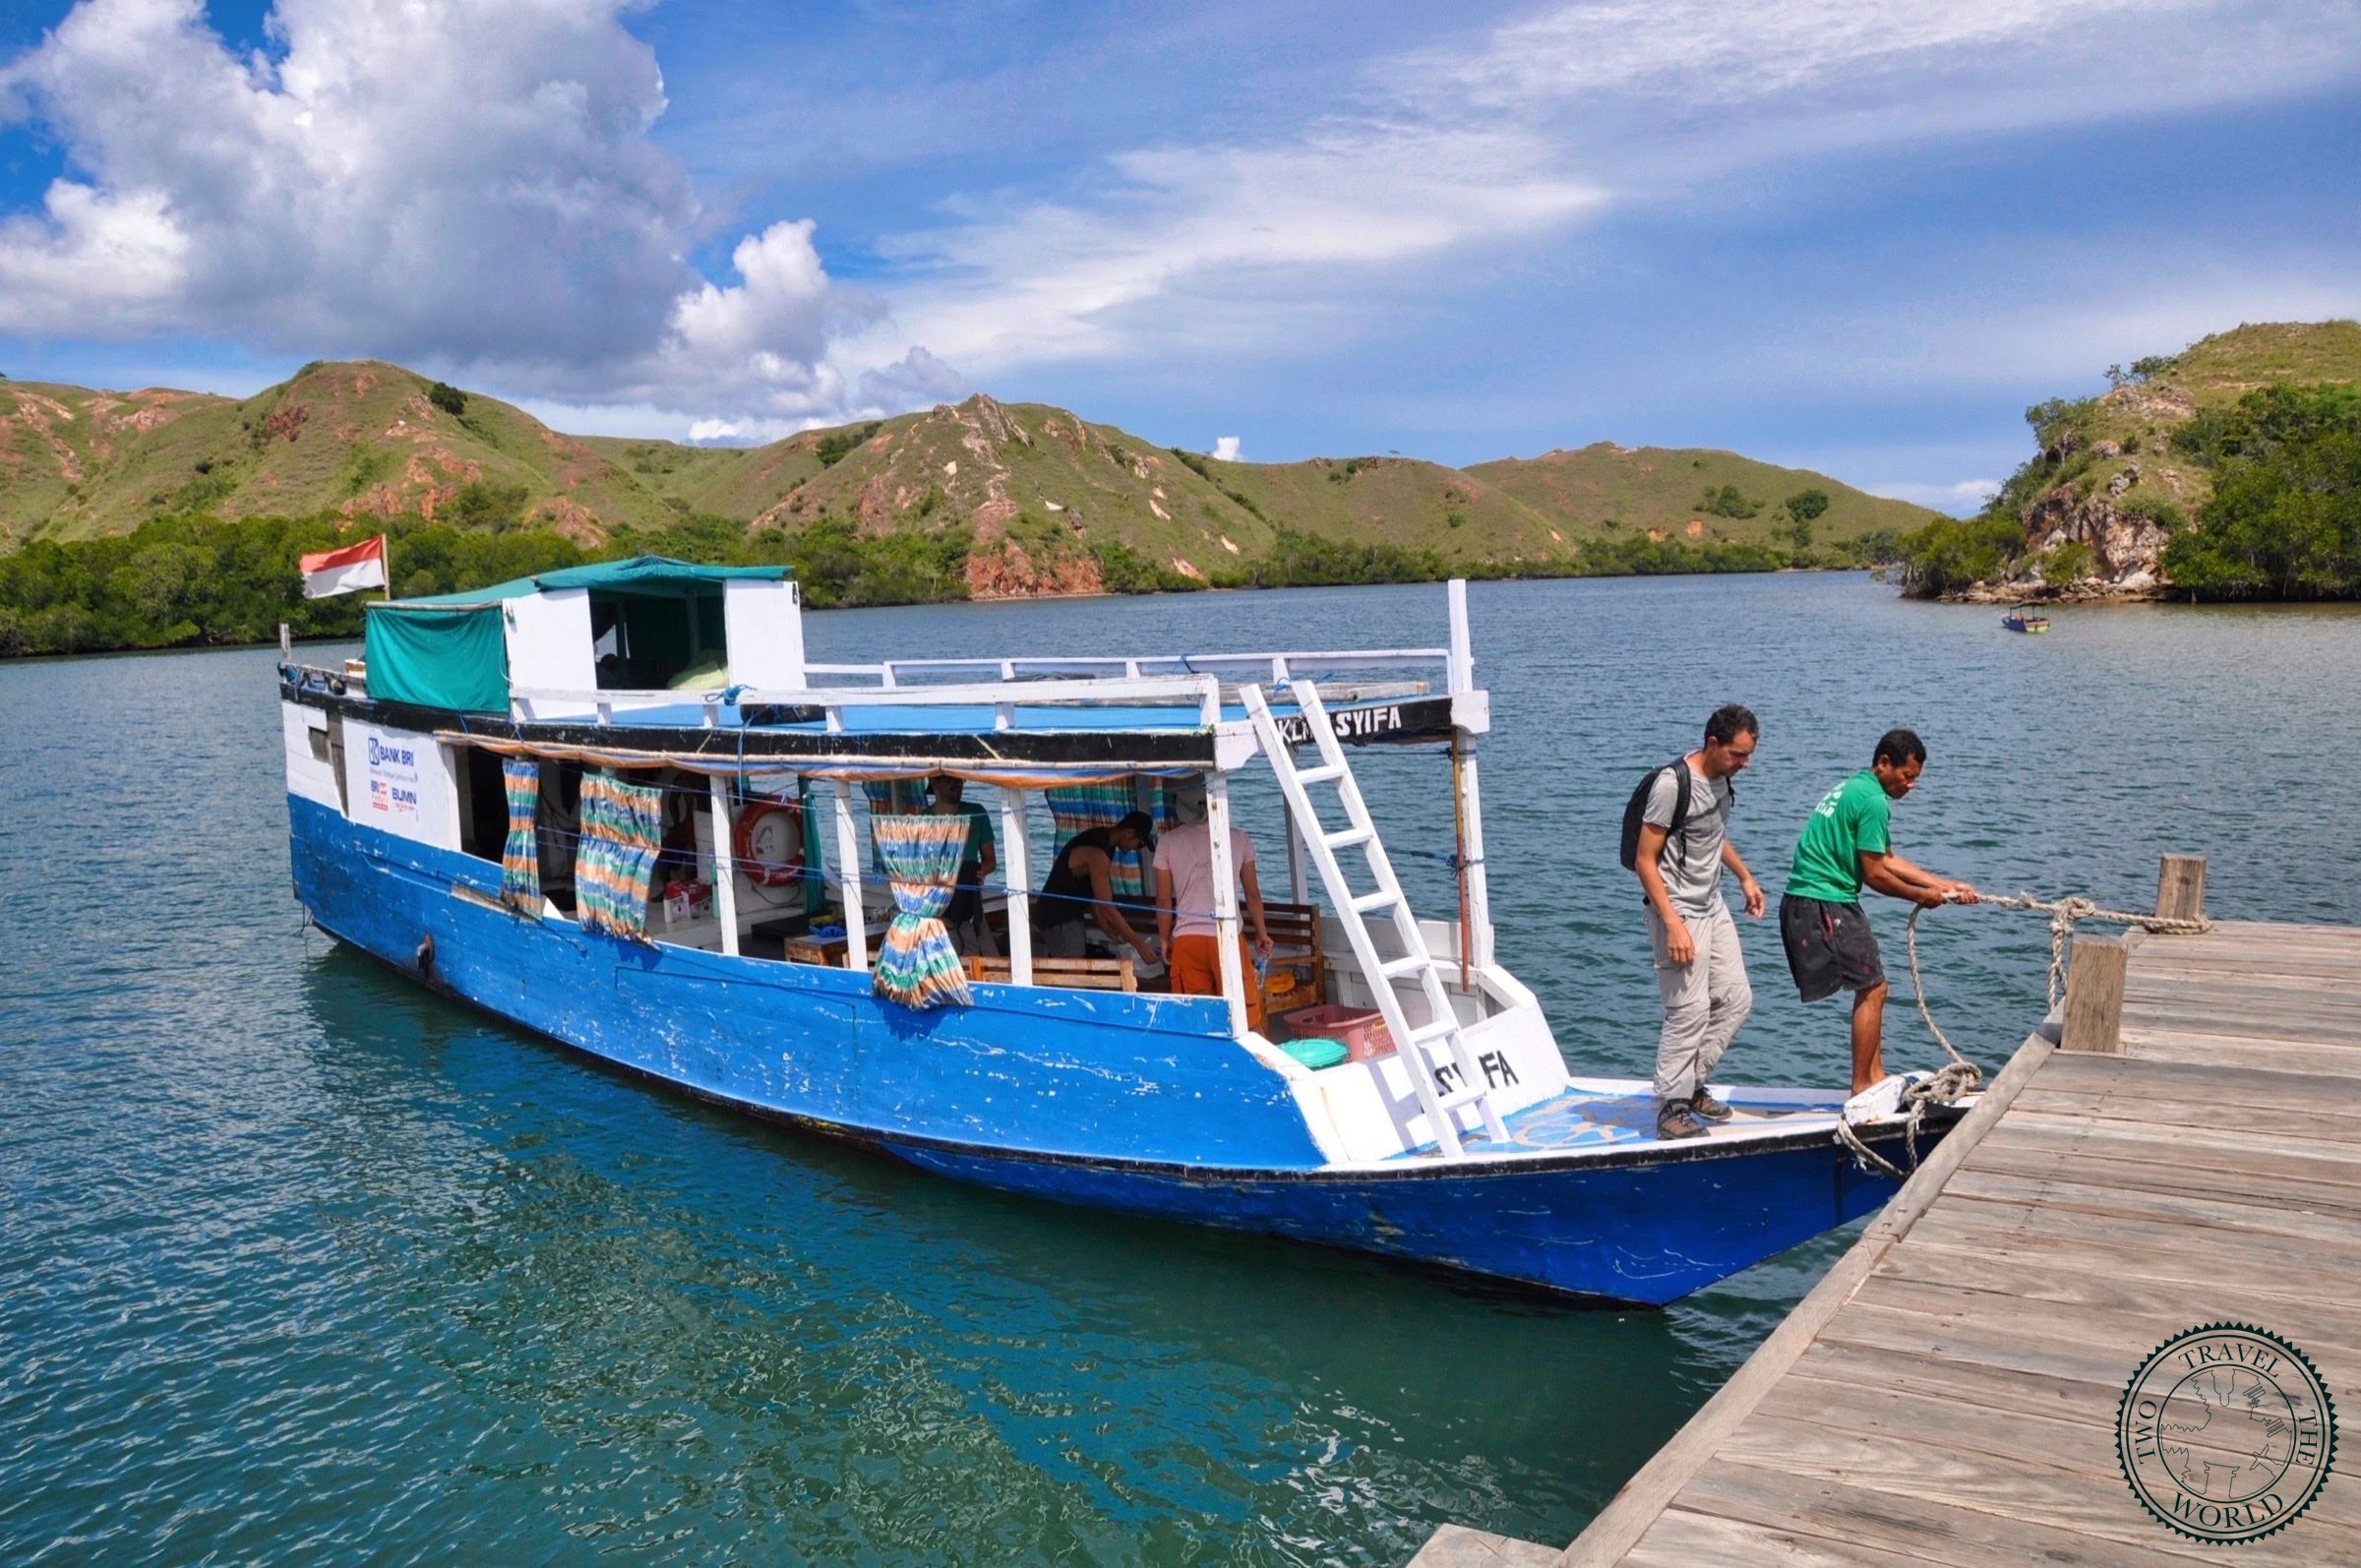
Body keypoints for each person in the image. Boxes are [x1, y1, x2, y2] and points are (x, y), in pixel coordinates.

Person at [1782, 729, 1981, 1096]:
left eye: (1916, 778)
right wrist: (1922, 896)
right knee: (1873, 988)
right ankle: (1862, 1086)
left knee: (1874, 986)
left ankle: (1875, 1076)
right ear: (1884, 764)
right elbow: (1874, 875)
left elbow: (1886, 858)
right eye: (1907, 776)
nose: (1911, 785)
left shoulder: (1857, 788)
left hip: (1816, 898)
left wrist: (1943, 885)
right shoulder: (1874, 802)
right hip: (1822, 900)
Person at [1633, 704, 1766, 1140]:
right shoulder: (1672, 786)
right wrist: (1672, 923)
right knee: (1688, 1011)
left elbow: (1713, 833)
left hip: (1713, 904)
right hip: (1678, 910)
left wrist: (1745, 876)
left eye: (1748, 756)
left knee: (1735, 998)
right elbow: (1644, 859)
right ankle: (1670, 1108)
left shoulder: (1722, 780)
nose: (1744, 765)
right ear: (1713, 744)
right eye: (1738, 755)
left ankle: (1690, 1087)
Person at [1154, 777, 1273, 1032]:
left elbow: (1163, 900)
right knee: (1246, 1018)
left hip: (1188, 941)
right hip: (1227, 937)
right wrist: (1261, 933)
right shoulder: (1239, 839)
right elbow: (1253, 896)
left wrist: (1164, 939)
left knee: (1198, 1021)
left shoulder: (1167, 842)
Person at [1036, 811, 1159, 964]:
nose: (1137, 849)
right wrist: (1139, 944)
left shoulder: (1103, 841)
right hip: (1059, 915)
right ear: (1129, 833)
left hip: (1062, 912)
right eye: (1140, 844)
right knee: (1074, 970)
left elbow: (1089, 891)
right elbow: (1106, 906)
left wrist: (1105, 926)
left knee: (1073, 967)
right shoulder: (1099, 853)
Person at [929, 774, 998, 956]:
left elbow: (990, 860)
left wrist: (981, 871)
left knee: (987, 953)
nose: (957, 783)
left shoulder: (977, 813)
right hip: (937, 902)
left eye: (960, 779)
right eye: (950, 779)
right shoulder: (923, 820)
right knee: (951, 949)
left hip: (969, 897)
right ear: (934, 783)